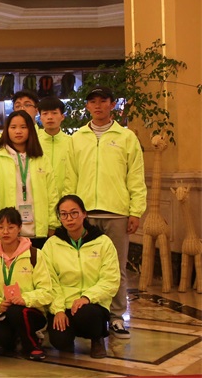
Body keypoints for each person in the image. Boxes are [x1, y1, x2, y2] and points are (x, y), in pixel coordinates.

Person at [66, 86, 145, 339]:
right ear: (87, 106)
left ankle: (117, 316)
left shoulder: (126, 137)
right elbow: (70, 176)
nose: (98, 106)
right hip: (85, 214)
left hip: (116, 212)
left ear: (112, 104)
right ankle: (90, 314)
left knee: (117, 268)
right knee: (86, 267)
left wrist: (135, 211)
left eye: (103, 101)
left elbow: (135, 177)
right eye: (93, 101)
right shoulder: (77, 138)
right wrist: (71, 211)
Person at [43, 195, 120, 358]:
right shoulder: (52, 244)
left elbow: (111, 280)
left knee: (87, 314)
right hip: (65, 304)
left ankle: (97, 338)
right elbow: (49, 281)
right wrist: (58, 310)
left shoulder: (103, 242)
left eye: (74, 213)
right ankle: (69, 334)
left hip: (93, 305)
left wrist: (87, 297)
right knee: (60, 341)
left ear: (84, 214)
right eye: (64, 214)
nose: (69, 218)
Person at [0, 207, 53, 361]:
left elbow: (46, 291)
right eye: (1, 227)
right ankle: (15, 339)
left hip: (31, 311)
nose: (5, 232)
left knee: (17, 311)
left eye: (11, 227)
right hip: (3, 312)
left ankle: (32, 345)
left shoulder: (34, 254)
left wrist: (25, 299)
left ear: (20, 228)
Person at [0, 111, 58, 248]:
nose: (18, 131)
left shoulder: (41, 158)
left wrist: (52, 224)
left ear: (30, 130)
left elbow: (52, 194)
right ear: (7, 130)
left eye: (23, 127)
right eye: (13, 127)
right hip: (8, 232)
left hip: (39, 230)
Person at [36, 97, 74, 206]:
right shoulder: (34, 143)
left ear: (62, 116)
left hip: (66, 202)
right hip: (39, 200)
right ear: (40, 117)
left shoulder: (72, 142)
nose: (50, 117)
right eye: (45, 113)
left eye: (54, 113)